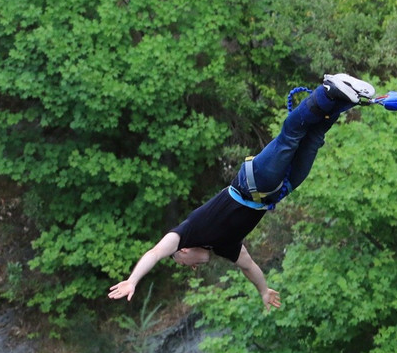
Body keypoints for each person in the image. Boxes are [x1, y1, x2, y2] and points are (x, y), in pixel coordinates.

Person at [108, 73, 375, 310]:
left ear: (183, 250)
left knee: (291, 134)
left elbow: (155, 253)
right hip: (280, 189)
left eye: (183, 263)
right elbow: (250, 267)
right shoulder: (225, 247)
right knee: (314, 140)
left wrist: (133, 280)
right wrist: (263, 291)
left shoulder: (189, 231)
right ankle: (344, 99)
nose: (193, 267)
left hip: (254, 182)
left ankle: (327, 91)